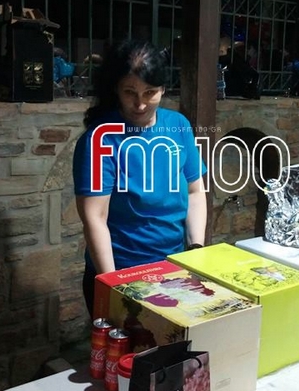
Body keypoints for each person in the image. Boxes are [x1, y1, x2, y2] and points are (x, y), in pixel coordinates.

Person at [73, 40, 208, 315]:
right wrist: (113, 284)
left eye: (150, 92)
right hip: (121, 269)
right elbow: (94, 218)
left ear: (163, 89)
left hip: (172, 268)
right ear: (116, 89)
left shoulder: (178, 126)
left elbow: (195, 192)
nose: (140, 104)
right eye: (130, 92)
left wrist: (195, 250)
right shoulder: (101, 138)